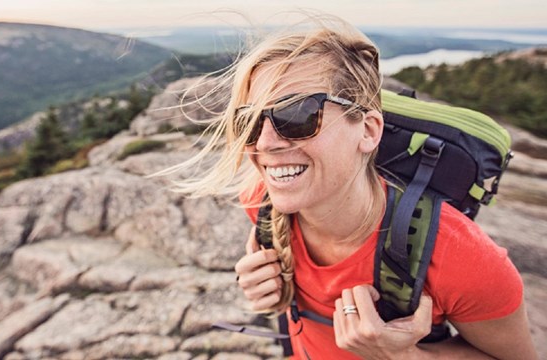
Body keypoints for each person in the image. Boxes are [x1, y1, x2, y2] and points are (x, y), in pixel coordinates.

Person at [165, 16, 538, 360]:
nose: (264, 143)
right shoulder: (262, 203)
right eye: (248, 122)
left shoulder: (463, 259)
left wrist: (407, 356)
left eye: (296, 114)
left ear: (369, 130)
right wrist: (268, 290)